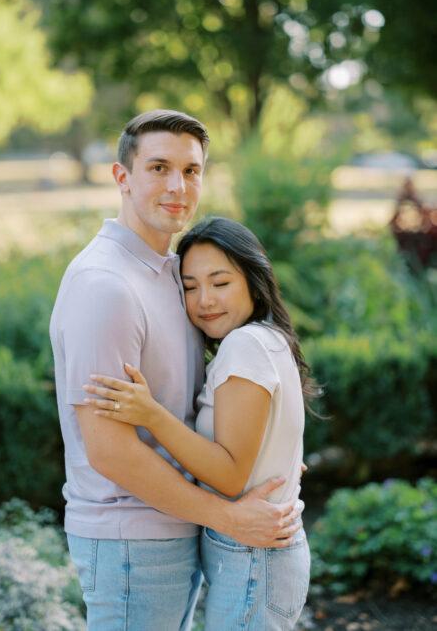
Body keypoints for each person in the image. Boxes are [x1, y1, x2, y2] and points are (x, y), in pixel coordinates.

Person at [50, 110, 302, 631]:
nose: (178, 186)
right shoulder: (106, 286)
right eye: (159, 167)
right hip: (130, 540)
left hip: (174, 526)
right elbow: (110, 448)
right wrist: (227, 516)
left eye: (191, 171)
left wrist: (268, 461)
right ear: (123, 177)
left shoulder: (176, 274)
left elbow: (201, 408)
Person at [84, 216, 314, 630]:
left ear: (253, 279)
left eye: (221, 283)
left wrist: (151, 414)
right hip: (254, 558)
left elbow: (229, 474)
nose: (205, 299)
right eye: (190, 287)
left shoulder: (245, 345)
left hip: (254, 560)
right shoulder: (267, 339)